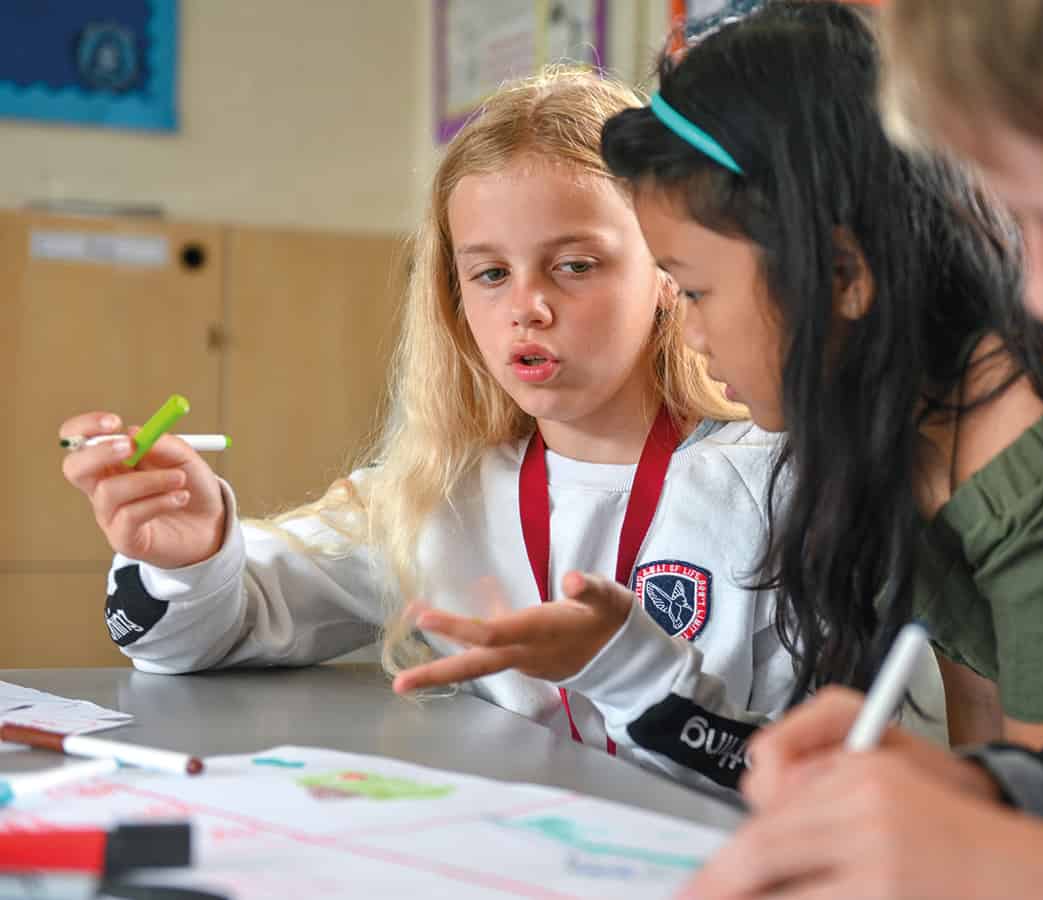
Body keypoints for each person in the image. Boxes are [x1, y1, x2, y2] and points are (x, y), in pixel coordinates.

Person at [58, 67, 794, 796]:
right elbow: (192, 640)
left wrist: (635, 671)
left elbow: (827, 775)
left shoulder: (777, 486)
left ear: (670, 271)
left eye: (575, 265)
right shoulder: (431, 495)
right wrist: (190, 554)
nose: (528, 307)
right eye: (490, 274)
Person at [595, 0, 1043, 752]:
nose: (689, 336)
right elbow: (985, 730)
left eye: (694, 291)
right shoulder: (903, 428)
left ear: (841, 273)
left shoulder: (1025, 447)